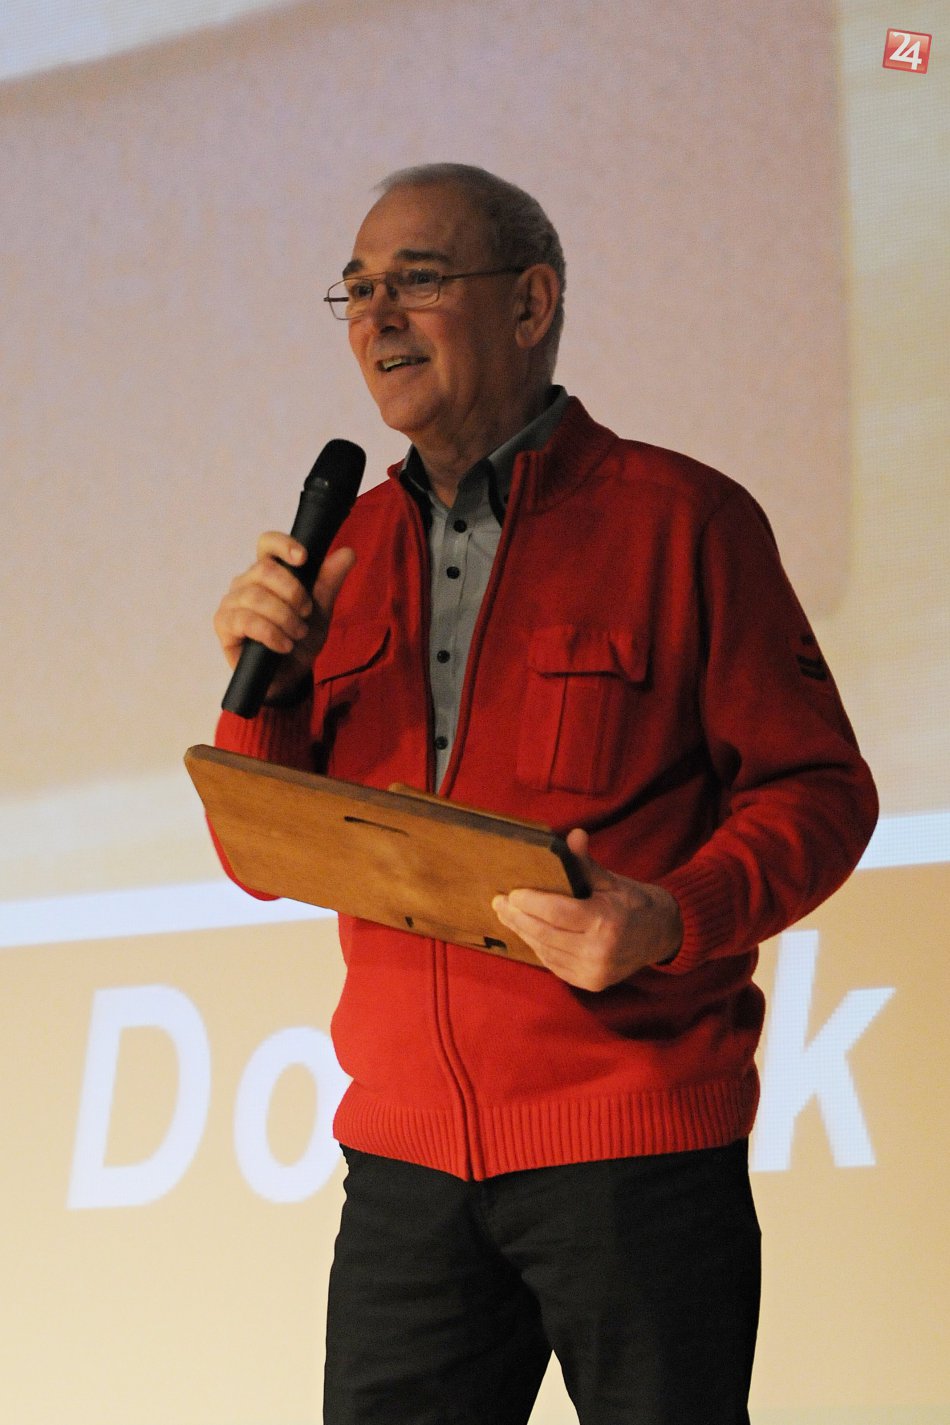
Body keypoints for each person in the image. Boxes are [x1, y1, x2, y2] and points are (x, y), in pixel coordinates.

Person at [211, 163, 878, 1425]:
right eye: (355, 289)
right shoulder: (345, 549)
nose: (376, 316)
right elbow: (260, 858)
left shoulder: (681, 521)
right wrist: (266, 696)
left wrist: (668, 916)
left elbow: (819, 793)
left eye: (415, 280)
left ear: (529, 304)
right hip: (404, 1169)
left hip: (632, 1154)